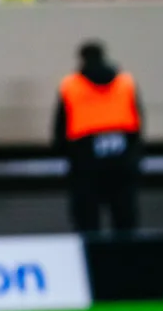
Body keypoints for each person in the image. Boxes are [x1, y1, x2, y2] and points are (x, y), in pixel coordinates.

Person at [54, 41, 143, 234]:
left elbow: (60, 128)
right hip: (122, 159)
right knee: (125, 219)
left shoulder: (71, 86)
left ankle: (92, 252)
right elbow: (138, 123)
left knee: (88, 221)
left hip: (85, 161)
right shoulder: (125, 83)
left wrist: (65, 155)